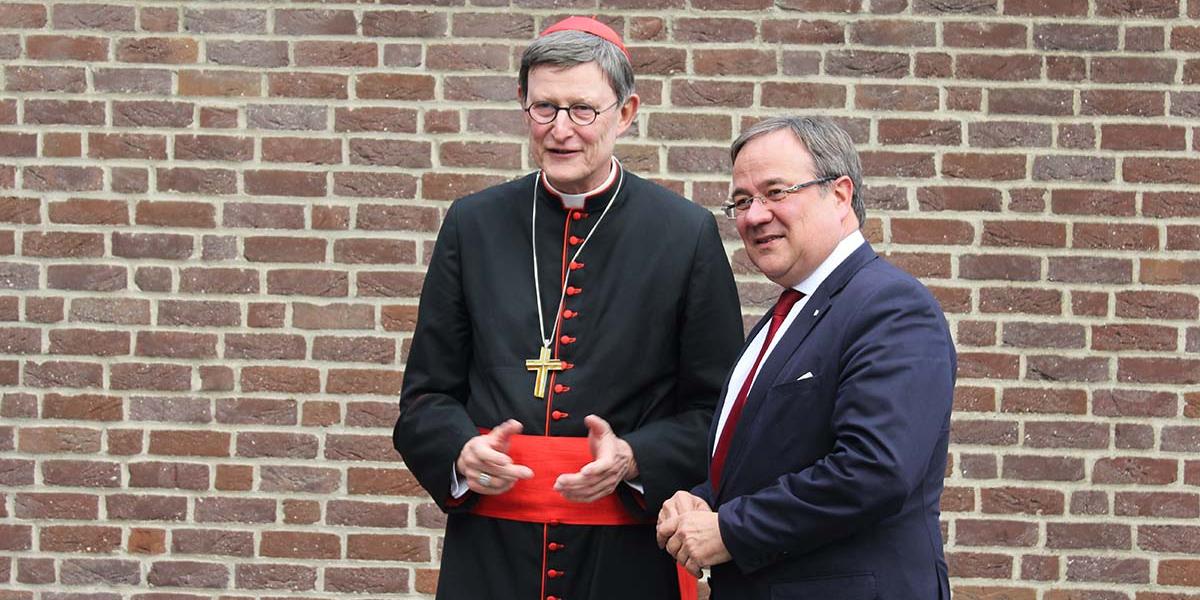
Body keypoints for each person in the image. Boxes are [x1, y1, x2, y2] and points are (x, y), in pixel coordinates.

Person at [393, 16, 744, 600]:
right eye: (544, 108)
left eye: (582, 109)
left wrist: (634, 456)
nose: (561, 130)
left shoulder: (684, 234)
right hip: (490, 556)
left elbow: (719, 409)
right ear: (523, 106)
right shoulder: (473, 224)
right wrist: (460, 449)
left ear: (625, 113)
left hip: (624, 560)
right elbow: (426, 398)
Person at [656, 116, 956, 600]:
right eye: (742, 201)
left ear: (839, 195)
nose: (754, 216)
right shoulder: (784, 317)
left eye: (776, 192)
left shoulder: (891, 307)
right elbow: (770, 458)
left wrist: (730, 529)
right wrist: (701, 502)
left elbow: (874, 469)